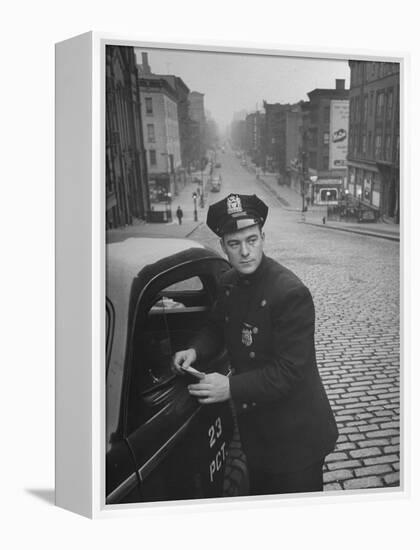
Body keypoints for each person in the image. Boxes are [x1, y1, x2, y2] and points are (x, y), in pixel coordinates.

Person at [172, 193, 338, 496]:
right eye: (235, 244)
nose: (245, 252)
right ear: (223, 247)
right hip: (257, 433)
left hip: (296, 438)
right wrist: (195, 349)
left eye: (252, 240)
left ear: (263, 237)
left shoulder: (289, 293)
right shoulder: (228, 283)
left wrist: (229, 387)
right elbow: (215, 328)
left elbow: (289, 372)